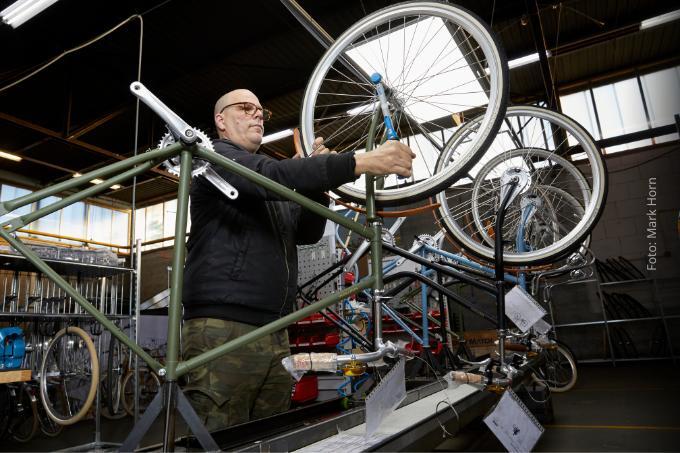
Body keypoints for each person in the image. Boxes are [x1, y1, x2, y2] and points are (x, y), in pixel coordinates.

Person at [181, 88, 414, 431]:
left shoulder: (263, 180)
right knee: (218, 433)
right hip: (223, 328)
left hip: (274, 328)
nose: (257, 114)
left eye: (261, 110)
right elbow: (273, 175)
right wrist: (359, 161)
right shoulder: (212, 157)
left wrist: (313, 185)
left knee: (267, 434)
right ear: (221, 121)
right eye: (246, 108)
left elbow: (305, 231)